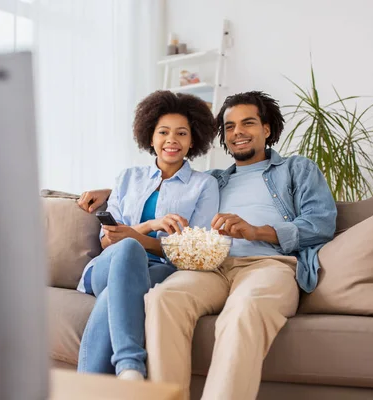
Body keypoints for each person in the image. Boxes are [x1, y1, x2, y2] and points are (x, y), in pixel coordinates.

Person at [77, 91, 337, 399]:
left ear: (267, 129)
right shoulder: (214, 180)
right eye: (229, 127)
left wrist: (258, 232)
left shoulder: (297, 169)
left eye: (248, 123)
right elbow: (166, 178)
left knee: (244, 310)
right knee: (162, 300)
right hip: (212, 268)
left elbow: (321, 223)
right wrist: (108, 192)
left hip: (269, 265)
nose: (237, 132)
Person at [76, 90, 220, 382]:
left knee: (113, 296)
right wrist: (145, 228)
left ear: (193, 140)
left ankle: (102, 383)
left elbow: (194, 251)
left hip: (160, 270)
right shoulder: (128, 178)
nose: (172, 140)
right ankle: (130, 363)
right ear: (150, 137)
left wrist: (136, 237)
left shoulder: (204, 185)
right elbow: (107, 241)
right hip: (107, 265)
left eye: (182, 133)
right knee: (128, 250)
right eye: (163, 132)